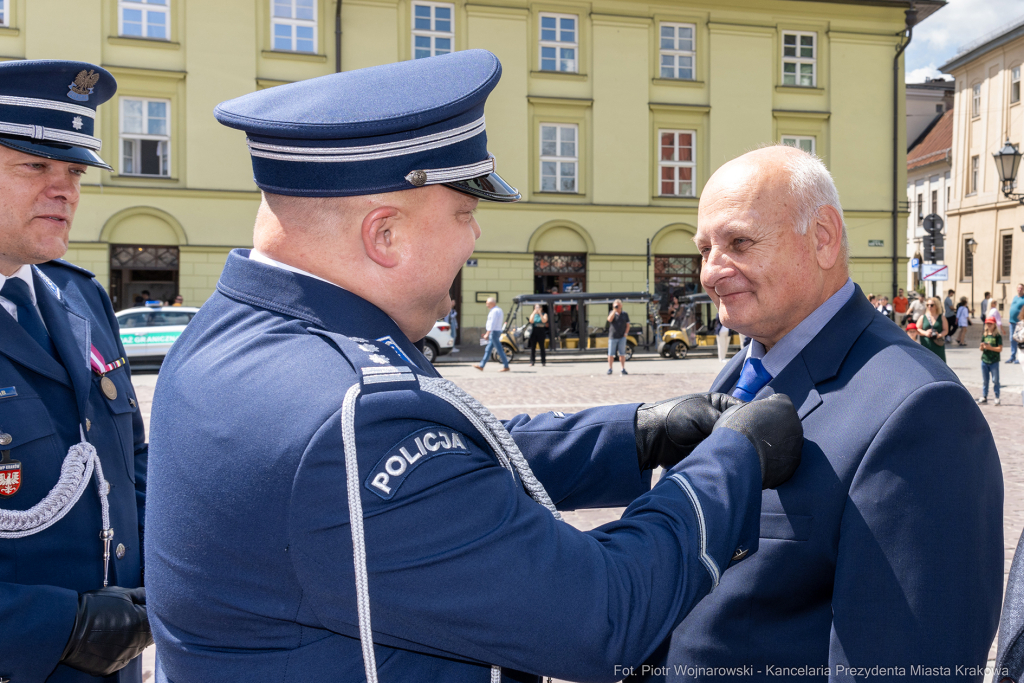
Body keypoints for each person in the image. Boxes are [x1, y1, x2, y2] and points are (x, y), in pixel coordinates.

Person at [144, 51, 804, 682]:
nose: (475, 236)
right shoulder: (346, 416)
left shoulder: (232, 336)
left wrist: (636, 432)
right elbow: (600, 613)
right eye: (465, 211)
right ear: (384, 235)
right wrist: (735, 460)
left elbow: (444, 472)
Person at [642, 145, 1002, 678]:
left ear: (824, 238)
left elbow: (907, 664)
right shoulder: (742, 370)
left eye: (739, 241)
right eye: (705, 248)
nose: (711, 271)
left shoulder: (921, 410)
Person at [0, 61, 151, 682]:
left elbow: (132, 459)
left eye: (74, 171)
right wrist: (54, 627)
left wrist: (154, 584)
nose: (63, 189)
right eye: (35, 167)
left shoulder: (79, 296)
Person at [474, 296, 509, 372]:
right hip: (495, 331)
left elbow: (492, 323)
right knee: (488, 349)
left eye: (488, 303)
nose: (487, 305)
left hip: (494, 332)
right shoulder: (497, 310)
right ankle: (482, 365)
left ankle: (506, 366)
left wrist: (487, 333)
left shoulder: (494, 311)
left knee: (499, 349)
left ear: (492, 303)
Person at [977, 316, 1002, 405]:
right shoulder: (985, 334)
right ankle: (984, 396)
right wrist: (982, 346)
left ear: (994, 324)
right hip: (984, 360)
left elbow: (1000, 349)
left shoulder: (997, 336)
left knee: (995, 380)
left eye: (990, 323)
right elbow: (981, 349)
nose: (989, 325)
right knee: (985, 380)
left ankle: (997, 396)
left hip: (994, 361)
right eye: (987, 323)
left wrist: (990, 348)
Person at [919, 296, 949, 362]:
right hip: (926, 345)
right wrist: (925, 333)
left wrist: (939, 335)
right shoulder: (923, 317)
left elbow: (946, 330)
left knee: (939, 363)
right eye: (927, 305)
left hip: (938, 345)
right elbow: (917, 329)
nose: (929, 306)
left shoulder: (942, 318)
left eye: (932, 305)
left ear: (936, 306)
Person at [607, 298, 630, 375]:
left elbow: (628, 325)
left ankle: (622, 368)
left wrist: (625, 333)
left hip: (622, 337)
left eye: (618, 305)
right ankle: (610, 368)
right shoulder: (612, 313)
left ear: (621, 306)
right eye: (615, 305)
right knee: (610, 354)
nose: (617, 307)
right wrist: (614, 310)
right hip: (613, 336)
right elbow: (609, 320)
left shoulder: (625, 314)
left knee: (622, 353)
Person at [1008, 283, 1024, 364]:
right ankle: (1012, 356)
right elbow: (1012, 308)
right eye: (1018, 288)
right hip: (1012, 322)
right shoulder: (1015, 297)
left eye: (1021, 288)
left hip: (1020, 323)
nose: (1019, 289)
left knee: (1020, 340)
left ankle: (1019, 357)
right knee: (1012, 339)